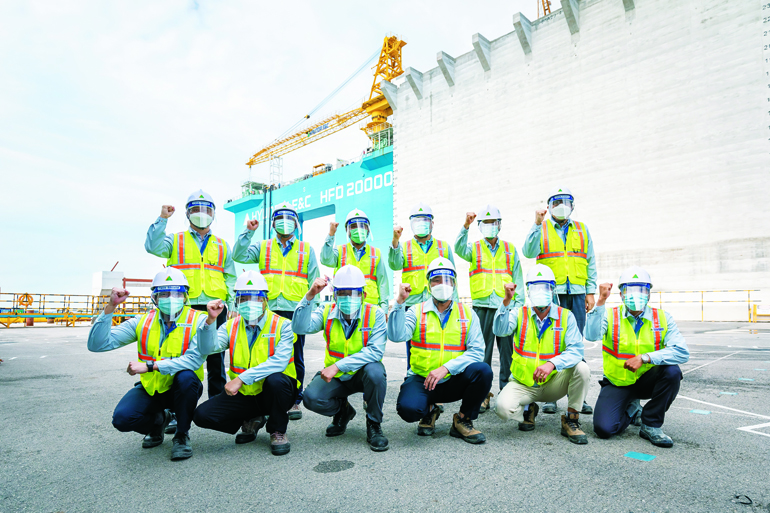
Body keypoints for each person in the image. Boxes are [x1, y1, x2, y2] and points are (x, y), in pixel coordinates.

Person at [86, 268, 214, 460]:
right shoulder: (142, 321)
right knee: (122, 419)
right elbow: (98, 344)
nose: (171, 298)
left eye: (177, 293)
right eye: (164, 294)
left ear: (185, 296)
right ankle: (159, 421)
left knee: (187, 377)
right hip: (151, 388)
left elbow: (195, 359)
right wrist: (110, 306)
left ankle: (181, 434)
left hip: (183, 388)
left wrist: (149, 366)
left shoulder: (199, 320)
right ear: (154, 297)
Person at [145, 189, 236, 418]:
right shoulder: (174, 240)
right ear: (187, 214)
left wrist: (232, 304)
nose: (201, 214)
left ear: (214, 214)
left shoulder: (223, 245)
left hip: (216, 307)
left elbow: (231, 277)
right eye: (196, 210)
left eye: (206, 210)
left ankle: (216, 404)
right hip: (182, 306)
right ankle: (176, 406)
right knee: (180, 355)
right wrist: (162, 219)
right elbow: (152, 247)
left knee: (216, 358)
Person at [193, 271, 298, 456]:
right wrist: (210, 321)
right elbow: (208, 348)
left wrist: (241, 379)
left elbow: (280, 362)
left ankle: (277, 430)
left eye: (256, 298)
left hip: (274, 392)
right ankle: (251, 419)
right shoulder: (229, 326)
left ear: (265, 300)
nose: (250, 303)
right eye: (244, 298)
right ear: (237, 302)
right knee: (202, 415)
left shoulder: (283, 325)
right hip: (245, 394)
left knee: (276, 380)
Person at [388, 258, 492, 444]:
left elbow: (477, 352)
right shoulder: (416, 311)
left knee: (483, 371)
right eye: (436, 280)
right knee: (408, 410)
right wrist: (400, 303)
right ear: (429, 285)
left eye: (447, 280)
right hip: (423, 379)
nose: (442, 284)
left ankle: (462, 419)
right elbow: (396, 336)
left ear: (454, 284)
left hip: (454, 379)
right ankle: (430, 411)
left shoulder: (467, 314)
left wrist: (446, 368)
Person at [232, 201, 320, 421]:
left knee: (295, 356)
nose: (285, 222)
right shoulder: (262, 246)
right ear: (272, 223)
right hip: (267, 310)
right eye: (280, 218)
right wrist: (248, 232)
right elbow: (238, 255)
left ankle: (294, 400)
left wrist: (312, 311)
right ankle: (261, 395)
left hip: (295, 310)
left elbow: (314, 281)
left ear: (296, 223)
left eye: (289, 218)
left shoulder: (306, 249)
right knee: (264, 354)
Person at [586, 267, 689, 448]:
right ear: (621, 294)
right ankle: (632, 410)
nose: (636, 296)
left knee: (672, 372)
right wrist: (601, 301)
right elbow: (591, 335)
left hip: (647, 381)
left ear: (649, 294)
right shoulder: (610, 315)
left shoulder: (663, 318)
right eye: (630, 290)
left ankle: (650, 424)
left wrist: (645, 358)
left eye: (641, 290)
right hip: (617, 382)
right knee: (604, 429)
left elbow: (682, 351)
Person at [292, 266, 389, 452]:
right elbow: (299, 327)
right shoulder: (326, 311)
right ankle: (343, 411)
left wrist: (337, 366)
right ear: (334, 295)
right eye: (342, 293)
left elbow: (375, 351)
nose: (347, 298)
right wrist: (310, 296)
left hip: (362, 375)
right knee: (311, 398)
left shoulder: (374, 313)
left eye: (353, 293)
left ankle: (374, 424)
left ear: (363, 295)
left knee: (376, 371)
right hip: (337, 378)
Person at [492, 265, 590, 444]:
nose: (541, 292)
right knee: (502, 409)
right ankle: (529, 408)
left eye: (545, 287)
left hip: (554, 382)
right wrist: (506, 301)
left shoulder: (566, 316)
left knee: (582, 368)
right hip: (525, 383)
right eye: (535, 287)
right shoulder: (519, 313)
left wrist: (552, 363)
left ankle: (571, 419)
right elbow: (499, 330)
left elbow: (576, 350)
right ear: (528, 291)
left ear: (553, 290)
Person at [522, 187, 596, 415]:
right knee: (551, 343)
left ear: (572, 206)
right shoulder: (541, 228)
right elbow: (528, 251)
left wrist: (590, 291)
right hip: (551, 294)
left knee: (576, 343)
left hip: (576, 291)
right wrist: (536, 223)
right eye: (557, 202)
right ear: (550, 205)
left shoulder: (582, 230)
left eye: (566, 202)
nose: (562, 205)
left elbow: (590, 260)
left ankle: (578, 398)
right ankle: (550, 397)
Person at [454, 205, 524, 413]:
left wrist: (517, 307)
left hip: (505, 306)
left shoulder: (510, 249)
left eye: (493, 223)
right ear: (479, 226)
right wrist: (465, 226)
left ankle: (506, 391)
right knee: (481, 354)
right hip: (482, 306)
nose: (490, 227)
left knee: (507, 353)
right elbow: (458, 248)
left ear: (499, 225)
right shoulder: (474, 248)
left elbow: (518, 277)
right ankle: (482, 394)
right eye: (485, 223)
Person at [388, 203, 457, 370]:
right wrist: (395, 241)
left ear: (432, 223)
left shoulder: (443, 246)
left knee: (439, 342)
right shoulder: (403, 247)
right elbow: (394, 264)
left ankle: (440, 379)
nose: (421, 223)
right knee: (413, 345)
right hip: (413, 305)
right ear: (411, 224)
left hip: (439, 302)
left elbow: (454, 277)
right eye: (417, 220)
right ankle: (413, 379)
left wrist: (454, 302)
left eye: (425, 220)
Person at [320, 208, 390, 315]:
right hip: (345, 308)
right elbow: (325, 260)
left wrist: (384, 310)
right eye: (353, 226)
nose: (358, 229)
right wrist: (331, 234)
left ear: (368, 229)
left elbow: (383, 283)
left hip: (371, 307)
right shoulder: (339, 251)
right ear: (347, 231)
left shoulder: (376, 253)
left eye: (362, 226)